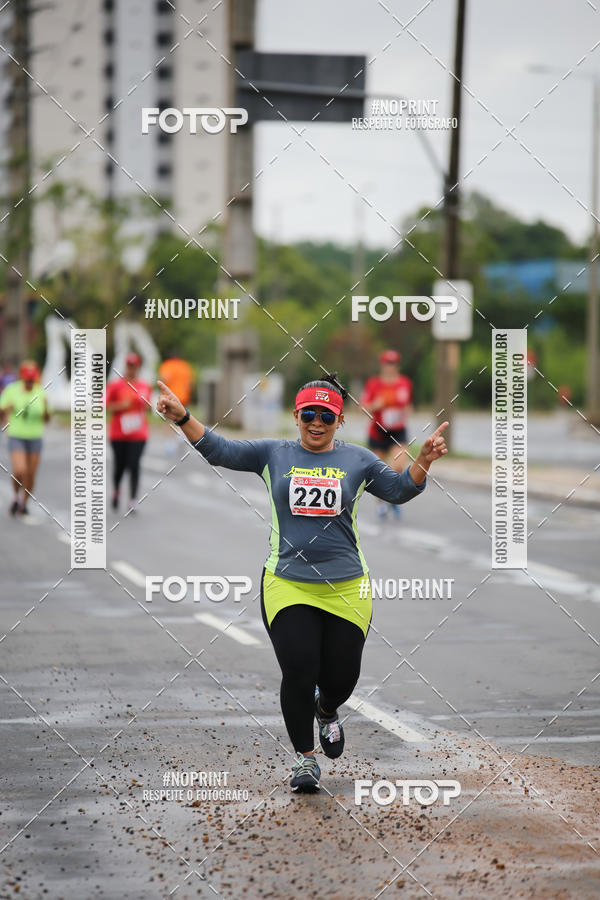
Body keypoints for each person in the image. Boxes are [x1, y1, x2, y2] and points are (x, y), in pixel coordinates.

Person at [156, 372, 448, 793]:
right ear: (295, 415)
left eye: (326, 416)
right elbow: (218, 450)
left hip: (347, 586)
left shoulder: (359, 460)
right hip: (286, 583)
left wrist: (424, 461)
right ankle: (304, 759)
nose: (316, 422)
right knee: (298, 668)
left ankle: (327, 709)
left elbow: (400, 490)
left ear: (339, 420)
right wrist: (183, 417)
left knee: (341, 678)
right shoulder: (273, 453)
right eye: (308, 413)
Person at [360, 350, 413, 520]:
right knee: (379, 471)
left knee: (398, 466)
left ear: (397, 365)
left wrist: (405, 412)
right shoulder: (374, 384)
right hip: (378, 431)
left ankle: (393, 498)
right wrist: (377, 404)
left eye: (393, 363)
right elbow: (364, 407)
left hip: (398, 430)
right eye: (387, 363)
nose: (390, 367)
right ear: (382, 365)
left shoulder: (404, 383)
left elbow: (408, 404)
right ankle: (382, 502)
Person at [0, 360, 50, 516]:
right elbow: (1, 411)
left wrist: (46, 410)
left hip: (35, 436)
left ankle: (23, 503)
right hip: (16, 435)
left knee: (31, 474)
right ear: (22, 377)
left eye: (31, 379)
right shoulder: (11, 390)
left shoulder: (40, 391)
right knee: (20, 470)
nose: (29, 382)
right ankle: (15, 496)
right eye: (27, 379)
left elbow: (47, 418)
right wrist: (6, 410)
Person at [106, 352, 152, 514]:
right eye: (128, 366)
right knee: (120, 466)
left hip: (138, 433)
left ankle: (133, 500)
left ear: (138, 367)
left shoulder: (144, 386)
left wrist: (148, 406)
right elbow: (104, 406)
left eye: (134, 366)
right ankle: (116, 490)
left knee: (134, 464)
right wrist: (122, 406)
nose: (131, 369)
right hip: (118, 433)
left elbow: (149, 408)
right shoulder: (116, 385)